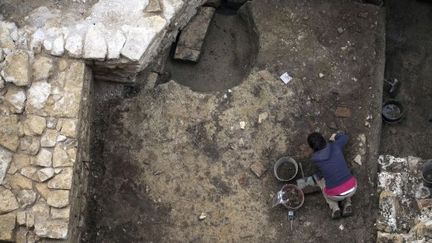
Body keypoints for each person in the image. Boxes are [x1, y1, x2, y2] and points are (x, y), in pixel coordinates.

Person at [307, 132, 357, 219]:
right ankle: (348, 204)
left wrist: (313, 179)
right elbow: (345, 137)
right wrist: (335, 136)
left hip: (335, 195)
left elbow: (320, 174)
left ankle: (335, 208)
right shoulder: (336, 146)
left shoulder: (315, 159)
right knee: (343, 176)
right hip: (352, 188)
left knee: (320, 180)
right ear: (323, 140)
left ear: (312, 147)